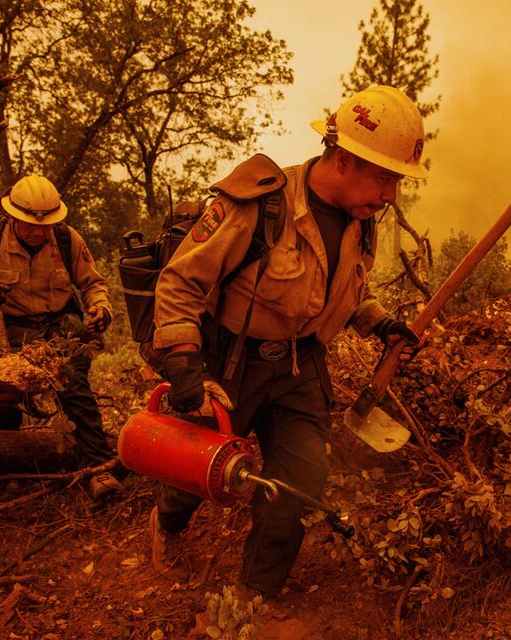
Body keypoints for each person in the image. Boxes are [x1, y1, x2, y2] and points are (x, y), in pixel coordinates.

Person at [148, 85, 426, 596]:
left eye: (396, 182)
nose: (391, 196)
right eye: (385, 177)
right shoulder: (259, 205)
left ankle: (255, 597)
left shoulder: (361, 221)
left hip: (301, 369)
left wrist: (379, 322)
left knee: (298, 486)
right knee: (197, 473)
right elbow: (180, 280)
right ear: (343, 159)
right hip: (232, 361)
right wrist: (185, 362)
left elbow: (338, 291)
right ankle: (167, 524)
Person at [0, 175, 124, 500]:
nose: (39, 231)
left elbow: (92, 283)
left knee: (74, 387)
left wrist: (100, 309)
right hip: (6, 327)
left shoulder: (68, 240)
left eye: (45, 225)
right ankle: (4, 469)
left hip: (58, 325)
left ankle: (98, 470)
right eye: (30, 224)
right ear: (13, 216)